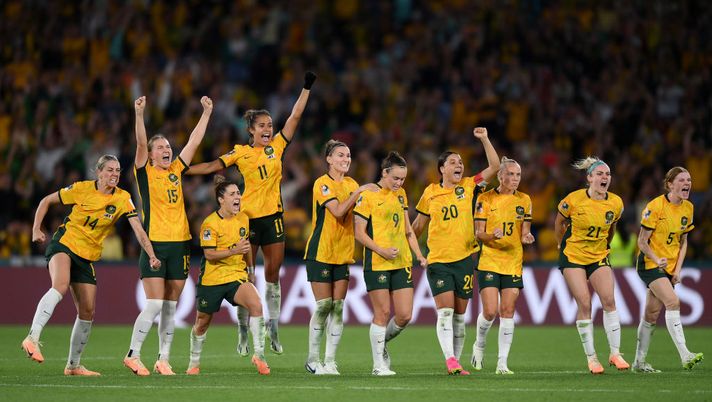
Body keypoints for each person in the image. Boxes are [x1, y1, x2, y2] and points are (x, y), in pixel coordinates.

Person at [188, 71, 316, 355]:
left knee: (273, 274)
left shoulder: (278, 147)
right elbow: (212, 166)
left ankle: (273, 328)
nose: (268, 129)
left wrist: (306, 87)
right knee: (245, 275)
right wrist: (182, 168)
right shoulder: (240, 153)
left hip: (273, 218)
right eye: (262, 126)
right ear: (251, 130)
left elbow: (294, 117)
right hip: (246, 220)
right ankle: (243, 330)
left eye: (270, 125)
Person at [23, 155, 160, 376]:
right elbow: (45, 201)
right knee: (60, 285)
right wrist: (36, 229)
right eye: (109, 170)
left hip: (87, 256)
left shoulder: (123, 198)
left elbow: (138, 229)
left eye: (117, 170)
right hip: (65, 244)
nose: (114, 174)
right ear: (98, 172)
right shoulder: (81, 188)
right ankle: (32, 337)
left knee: (87, 311)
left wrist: (151, 254)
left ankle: (73, 366)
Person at [124, 95, 213, 376]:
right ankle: (133, 354)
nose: (166, 150)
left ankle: (163, 359)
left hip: (181, 244)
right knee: (154, 303)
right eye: (160, 147)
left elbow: (194, 142)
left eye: (168, 146)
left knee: (171, 307)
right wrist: (139, 115)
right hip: (156, 245)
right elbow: (140, 143)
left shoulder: (176, 169)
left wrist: (207, 113)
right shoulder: (145, 173)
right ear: (150, 155)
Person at [411, 127, 500, 375]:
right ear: (442, 169)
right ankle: (450, 360)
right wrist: (409, 250)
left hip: (464, 259)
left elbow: (494, 166)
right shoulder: (430, 192)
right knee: (446, 312)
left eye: (460, 162)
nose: (458, 165)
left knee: (460, 317)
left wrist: (484, 138)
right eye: (453, 162)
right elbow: (417, 226)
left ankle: (457, 363)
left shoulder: (470, 186)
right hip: (438, 260)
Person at [303, 140, 378, 375]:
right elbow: (336, 211)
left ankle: (330, 361)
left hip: (343, 253)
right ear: (329, 159)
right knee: (324, 306)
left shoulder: (352, 183)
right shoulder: (322, 184)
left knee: (338, 307)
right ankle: (313, 359)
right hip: (321, 251)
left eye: (348, 155)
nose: (346, 159)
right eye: (340, 155)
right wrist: (359, 192)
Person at [353, 151, 428, 376]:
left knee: (405, 315)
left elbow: (407, 230)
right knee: (383, 312)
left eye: (403, 179)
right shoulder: (367, 196)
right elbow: (359, 233)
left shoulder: (401, 194)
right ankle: (378, 365)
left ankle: (381, 342)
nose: (399, 183)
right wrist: (382, 250)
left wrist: (419, 255)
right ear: (384, 173)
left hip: (401, 261)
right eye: (395, 178)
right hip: (377, 262)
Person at [186, 176, 269, 375]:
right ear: (221, 199)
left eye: (238, 193)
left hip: (236, 276)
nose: (238, 197)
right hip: (212, 279)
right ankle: (194, 363)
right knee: (202, 323)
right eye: (232, 194)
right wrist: (233, 250)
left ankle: (259, 355)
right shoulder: (210, 223)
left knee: (256, 305)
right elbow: (209, 254)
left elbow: (246, 247)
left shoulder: (243, 218)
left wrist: (250, 271)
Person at [554, 157, 629, 374]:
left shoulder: (616, 203)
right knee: (585, 303)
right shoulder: (573, 199)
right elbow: (559, 222)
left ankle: (615, 353)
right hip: (573, 255)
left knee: (609, 299)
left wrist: (605, 245)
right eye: (600, 174)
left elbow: (612, 228)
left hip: (598, 255)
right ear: (589, 178)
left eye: (607, 174)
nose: (605, 177)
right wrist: (560, 243)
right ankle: (592, 358)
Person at [633, 167, 704, 372]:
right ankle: (685, 354)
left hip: (669, 266)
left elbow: (684, 242)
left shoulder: (688, 208)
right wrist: (657, 259)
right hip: (650, 264)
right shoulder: (655, 206)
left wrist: (677, 270)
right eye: (682, 180)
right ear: (670, 184)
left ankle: (639, 362)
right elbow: (642, 242)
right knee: (672, 301)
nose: (687, 183)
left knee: (651, 314)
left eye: (689, 180)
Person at [471, 157, 534, 374]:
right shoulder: (485, 198)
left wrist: (527, 237)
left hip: (513, 261)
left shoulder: (525, 200)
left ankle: (502, 363)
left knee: (507, 310)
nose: (515, 179)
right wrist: (492, 235)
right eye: (510, 174)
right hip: (489, 259)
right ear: (500, 176)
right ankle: (479, 345)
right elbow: (478, 233)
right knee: (490, 312)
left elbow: (524, 230)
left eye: (517, 175)